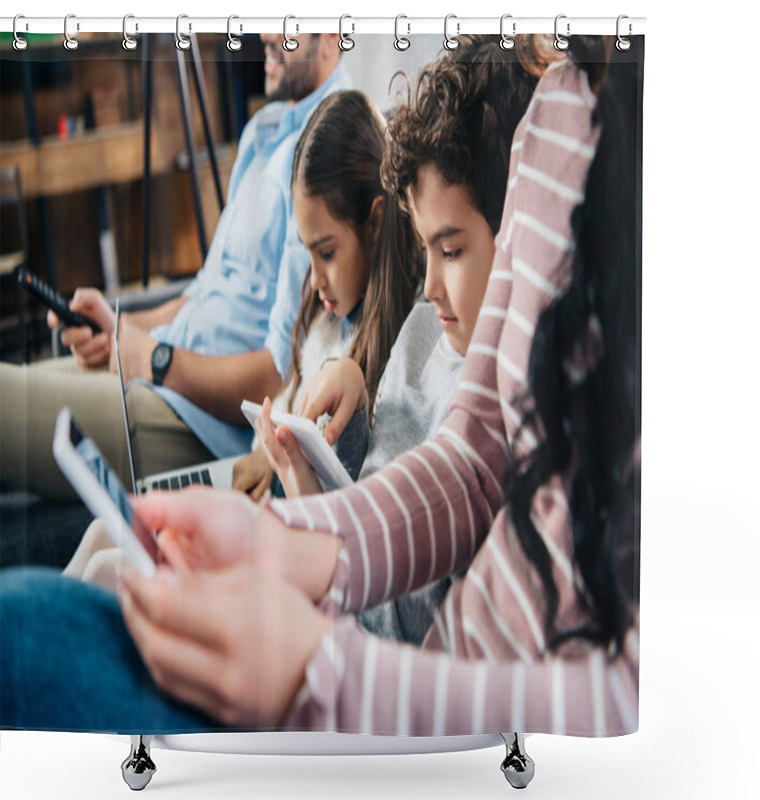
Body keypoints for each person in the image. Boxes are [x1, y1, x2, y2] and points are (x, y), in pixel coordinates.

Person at [0, 39, 641, 737]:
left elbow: (639, 707)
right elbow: (478, 448)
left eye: (450, 250)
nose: (430, 289)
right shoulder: (559, 105)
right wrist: (280, 544)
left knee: (26, 637)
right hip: (393, 668)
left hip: (437, 721)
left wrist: (320, 676)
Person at [61, 88, 424, 590]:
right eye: (307, 254)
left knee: (110, 567)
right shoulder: (323, 317)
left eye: (326, 252)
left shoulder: (390, 355)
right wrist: (264, 450)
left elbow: (344, 523)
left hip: (297, 549)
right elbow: (289, 406)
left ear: (377, 221)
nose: (315, 280)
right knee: (108, 532)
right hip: (268, 509)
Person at [256, 37, 538, 644]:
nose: (430, 286)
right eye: (426, 247)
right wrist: (349, 411)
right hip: (322, 582)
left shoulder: (495, 418)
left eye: (453, 250)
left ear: (519, 238)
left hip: (334, 637)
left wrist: (304, 499)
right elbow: (371, 484)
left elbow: (385, 631)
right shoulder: (424, 330)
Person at [0, 33, 347, 500]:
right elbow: (202, 292)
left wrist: (153, 360)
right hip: (157, 370)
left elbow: (280, 374)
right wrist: (118, 325)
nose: (263, 32)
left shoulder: (330, 152)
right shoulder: (263, 130)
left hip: (191, 419)